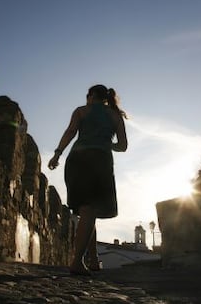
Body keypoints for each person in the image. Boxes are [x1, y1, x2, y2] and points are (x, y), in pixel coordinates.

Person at [48, 84, 128, 275]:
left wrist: (57, 154)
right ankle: (77, 262)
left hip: (77, 159)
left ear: (91, 96)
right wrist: (106, 143)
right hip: (100, 161)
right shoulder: (115, 115)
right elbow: (123, 146)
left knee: (86, 211)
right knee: (89, 211)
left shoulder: (81, 111)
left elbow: (70, 132)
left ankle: (91, 260)